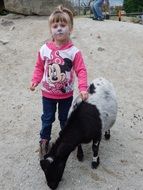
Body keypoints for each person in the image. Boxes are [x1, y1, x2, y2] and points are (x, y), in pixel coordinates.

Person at [30, 5, 88, 157]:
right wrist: (35, 80)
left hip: (66, 95)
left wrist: (83, 88)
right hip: (47, 94)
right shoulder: (44, 49)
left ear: (70, 28)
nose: (59, 29)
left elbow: (81, 70)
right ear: (51, 30)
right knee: (47, 118)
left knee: (65, 118)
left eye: (63, 25)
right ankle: (44, 141)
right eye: (55, 26)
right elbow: (39, 67)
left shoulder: (74, 52)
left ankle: (66, 140)